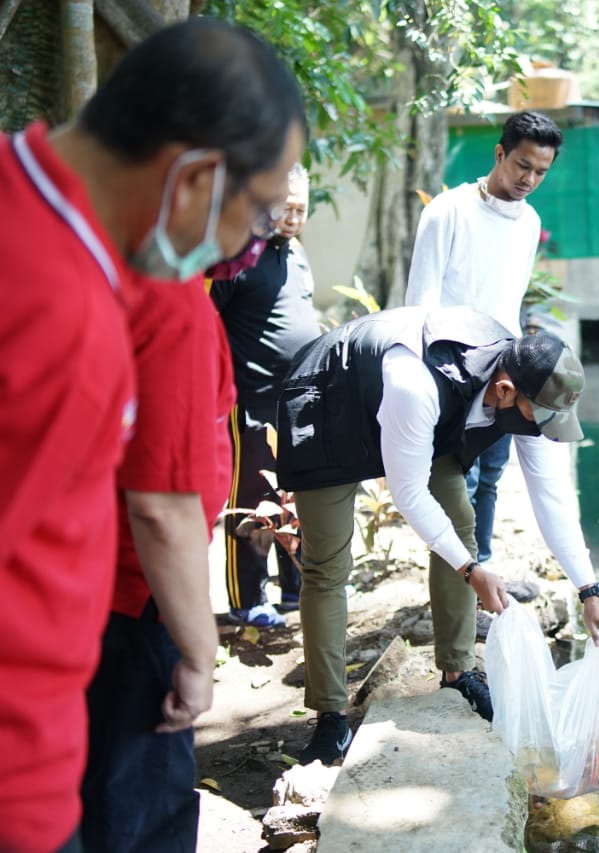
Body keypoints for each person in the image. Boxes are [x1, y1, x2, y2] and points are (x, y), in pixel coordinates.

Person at [0, 17, 305, 853]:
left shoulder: (47, 226)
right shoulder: (68, 311)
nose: (253, 236)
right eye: (255, 207)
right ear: (198, 175)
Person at [276, 305, 599, 766]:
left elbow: (551, 497)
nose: (539, 429)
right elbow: (409, 492)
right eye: (537, 417)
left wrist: (589, 590)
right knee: (328, 565)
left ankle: (457, 673)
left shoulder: (525, 387)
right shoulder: (417, 384)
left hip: (417, 419)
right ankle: (330, 715)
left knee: (459, 517)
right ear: (504, 388)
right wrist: (471, 570)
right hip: (332, 406)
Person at [80, 273, 237, 852]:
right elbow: (161, 508)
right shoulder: (170, 305)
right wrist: (199, 651)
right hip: (134, 594)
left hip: (91, 587)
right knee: (136, 809)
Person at [405, 110, 563, 565]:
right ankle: (461, 579)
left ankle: (485, 573)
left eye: (541, 172)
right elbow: (421, 304)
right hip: (450, 369)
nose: (529, 179)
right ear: (500, 153)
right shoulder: (447, 211)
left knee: (492, 477)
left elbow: (509, 301)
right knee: (459, 481)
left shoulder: (529, 222)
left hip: (504, 371)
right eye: (522, 166)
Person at [211, 164, 321, 629]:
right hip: (250, 398)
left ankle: (295, 586)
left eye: (301, 207)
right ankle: (247, 598)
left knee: (294, 493)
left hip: (296, 399)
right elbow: (206, 322)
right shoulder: (238, 255)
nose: (293, 216)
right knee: (253, 498)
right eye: (285, 206)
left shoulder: (295, 252)